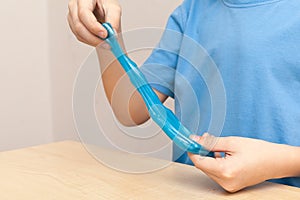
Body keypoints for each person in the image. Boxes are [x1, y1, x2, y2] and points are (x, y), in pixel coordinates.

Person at [68, 0, 300, 192]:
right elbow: (130, 109)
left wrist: (281, 161)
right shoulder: (191, 12)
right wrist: (107, 39)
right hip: (191, 191)